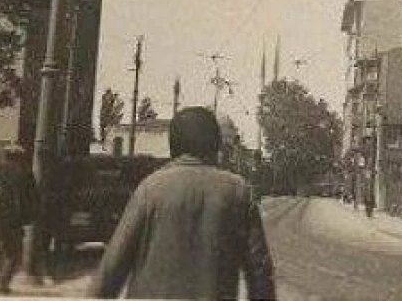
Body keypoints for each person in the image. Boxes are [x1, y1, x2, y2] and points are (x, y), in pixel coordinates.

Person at [91, 107, 277, 300]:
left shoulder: (150, 188)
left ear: (173, 146)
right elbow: (260, 274)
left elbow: (110, 271)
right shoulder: (238, 191)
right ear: (215, 146)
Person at [0, 143, 39, 294]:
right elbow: (33, 199)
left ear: (5, 156)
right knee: (14, 254)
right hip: (13, 220)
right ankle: (3, 284)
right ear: (20, 157)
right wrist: (29, 218)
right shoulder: (25, 174)